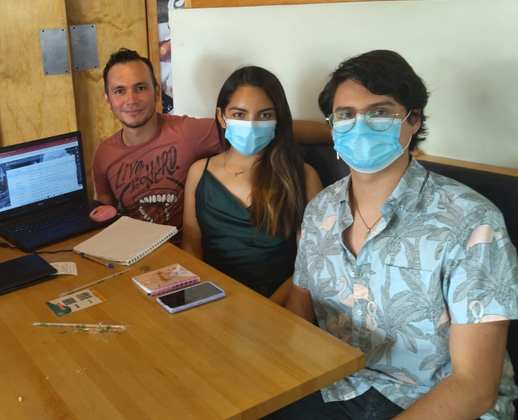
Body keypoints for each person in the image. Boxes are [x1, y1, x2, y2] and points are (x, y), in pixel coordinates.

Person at [274, 50, 518, 419]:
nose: (360, 126)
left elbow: (473, 387)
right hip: (339, 384)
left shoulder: (472, 223)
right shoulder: (320, 210)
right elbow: (299, 312)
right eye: (345, 115)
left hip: (435, 399)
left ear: (413, 119)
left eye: (380, 112)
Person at [92, 48, 331, 242]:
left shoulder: (187, 132)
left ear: (156, 92)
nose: (131, 100)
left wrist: (338, 134)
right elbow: (103, 212)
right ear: (107, 99)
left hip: (184, 254)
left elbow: (257, 126)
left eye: (140, 88)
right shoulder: (104, 154)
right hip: (134, 253)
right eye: (120, 91)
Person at [181, 66, 323, 305]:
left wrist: (265, 311)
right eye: (239, 114)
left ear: (277, 119)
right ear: (221, 117)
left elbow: (308, 263)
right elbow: (191, 248)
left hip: (279, 305)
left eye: (264, 115)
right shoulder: (199, 172)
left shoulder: (303, 177)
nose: (251, 124)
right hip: (214, 301)